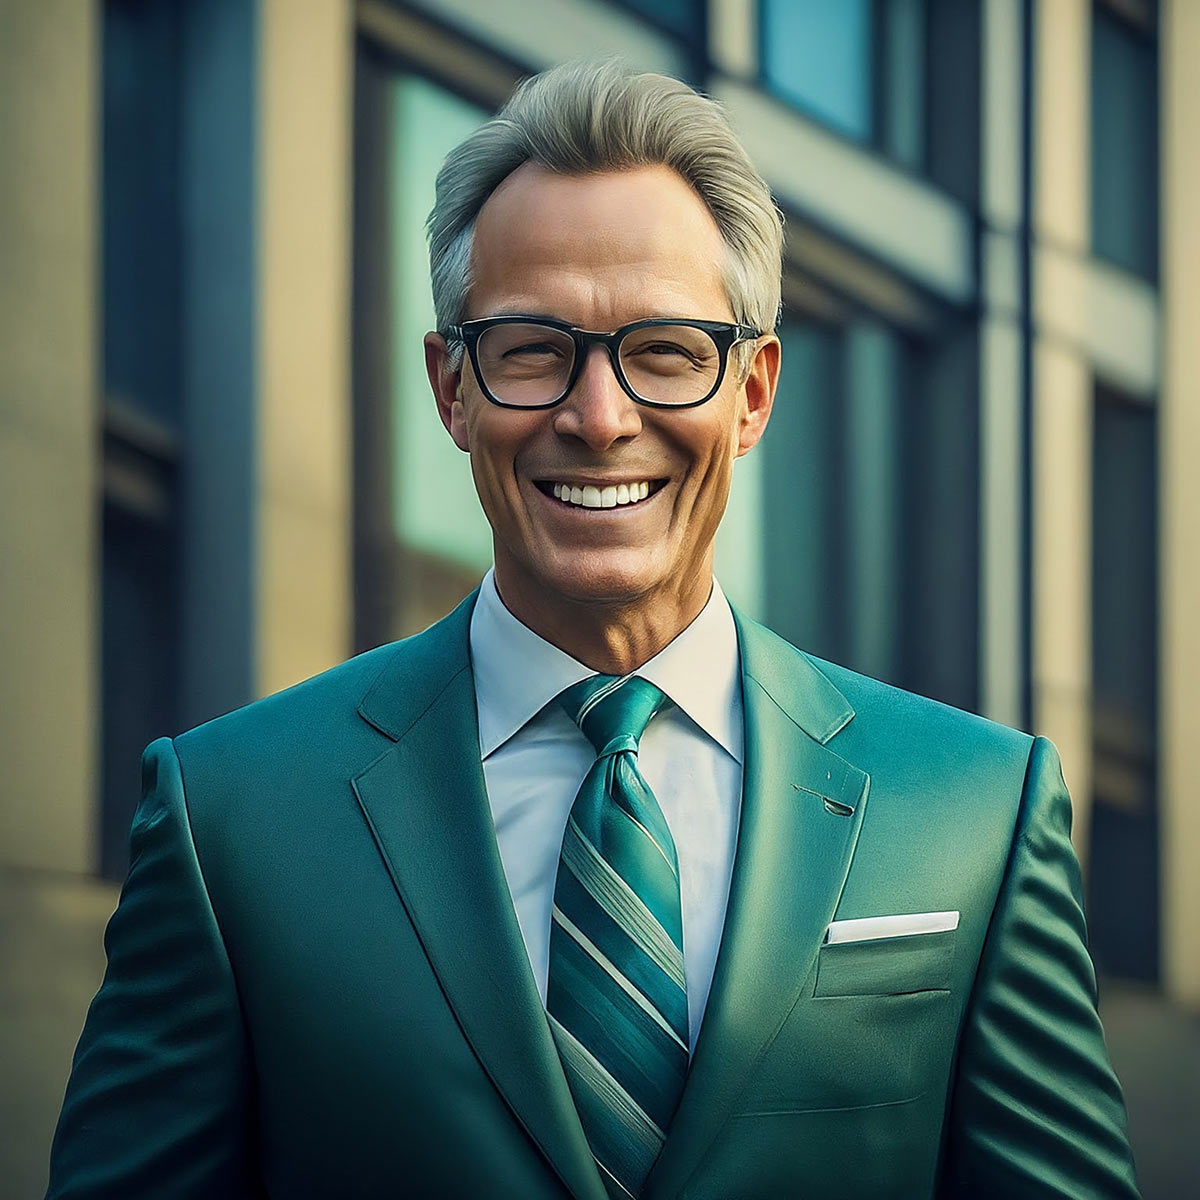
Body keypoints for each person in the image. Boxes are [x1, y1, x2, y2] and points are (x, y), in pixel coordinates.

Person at [48, 61, 1138, 1199]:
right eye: (532, 349)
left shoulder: (977, 808)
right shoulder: (231, 817)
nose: (600, 416)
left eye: (666, 350)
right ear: (452, 390)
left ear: (753, 393)